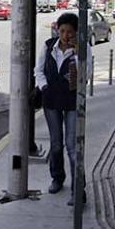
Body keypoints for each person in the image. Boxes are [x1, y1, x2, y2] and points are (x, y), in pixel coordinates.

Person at [35, 12, 92, 205]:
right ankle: (57, 177)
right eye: (62, 31)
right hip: (51, 101)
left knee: (72, 146)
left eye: (70, 31)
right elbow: (39, 70)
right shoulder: (48, 46)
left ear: (76, 32)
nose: (65, 35)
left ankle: (78, 189)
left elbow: (86, 75)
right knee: (56, 143)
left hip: (72, 102)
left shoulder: (83, 49)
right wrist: (44, 87)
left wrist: (77, 54)